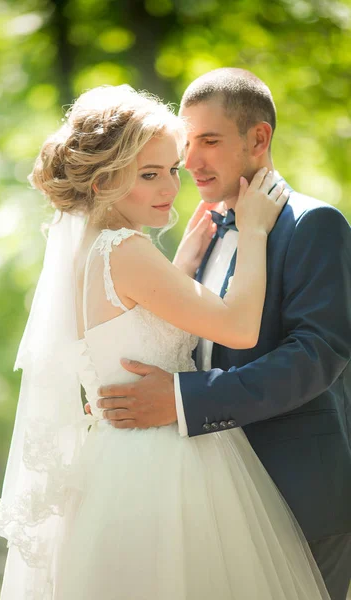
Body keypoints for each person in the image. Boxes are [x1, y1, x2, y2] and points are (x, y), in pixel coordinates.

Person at [0, 84, 330, 599]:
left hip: (115, 464)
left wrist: (184, 265)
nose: (172, 188)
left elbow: (138, 322)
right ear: (105, 180)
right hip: (162, 464)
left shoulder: (92, 249)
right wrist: (256, 232)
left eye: (172, 170)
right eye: (149, 175)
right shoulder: (126, 249)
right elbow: (238, 328)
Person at [94, 70, 351, 600]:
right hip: (207, 497)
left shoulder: (315, 224)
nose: (190, 162)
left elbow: (316, 355)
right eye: (186, 144)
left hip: (297, 488)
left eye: (209, 141)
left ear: (258, 139)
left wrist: (183, 399)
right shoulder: (208, 227)